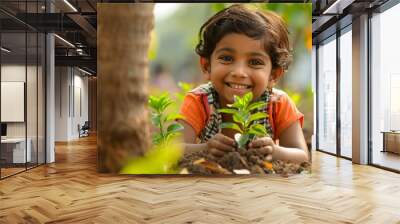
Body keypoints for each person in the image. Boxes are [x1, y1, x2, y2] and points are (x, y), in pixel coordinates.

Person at [177, 4, 309, 164]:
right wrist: (205, 149)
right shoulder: (199, 100)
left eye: (255, 62)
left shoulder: (278, 104)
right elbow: (172, 150)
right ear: (207, 66)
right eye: (226, 58)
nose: (239, 72)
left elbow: (302, 155)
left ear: (273, 75)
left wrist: (275, 151)